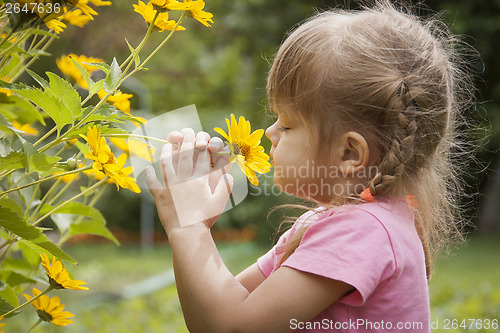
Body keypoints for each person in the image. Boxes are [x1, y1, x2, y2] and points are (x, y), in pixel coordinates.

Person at [145, 1, 473, 331]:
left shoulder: (362, 232)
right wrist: (190, 224)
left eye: (287, 125)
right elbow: (208, 322)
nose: (270, 133)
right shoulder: (332, 223)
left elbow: (235, 327)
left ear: (349, 153)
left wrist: (187, 229)